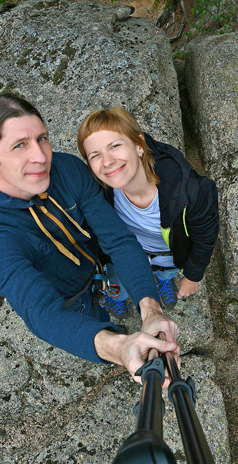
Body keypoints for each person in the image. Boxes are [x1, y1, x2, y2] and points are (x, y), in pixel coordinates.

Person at [0, 94, 179, 381]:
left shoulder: (66, 170)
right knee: (93, 326)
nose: (41, 157)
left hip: (97, 266)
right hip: (70, 298)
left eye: (42, 138)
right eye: (19, 145)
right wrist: (119, 348)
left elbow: (117, 240)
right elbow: (43, 314)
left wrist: (150, 309)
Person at [77, 106, 219, 316]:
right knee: (117, 279)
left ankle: (163, 280)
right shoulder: (96, 191)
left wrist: (192, 276)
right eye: (95, 155)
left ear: (139, 145)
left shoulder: (192, 191)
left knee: (166, 270)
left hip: (169, 255)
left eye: (115, 146)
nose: (107, 162)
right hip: (122, 255)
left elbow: (205, 237)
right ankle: (118, 297)